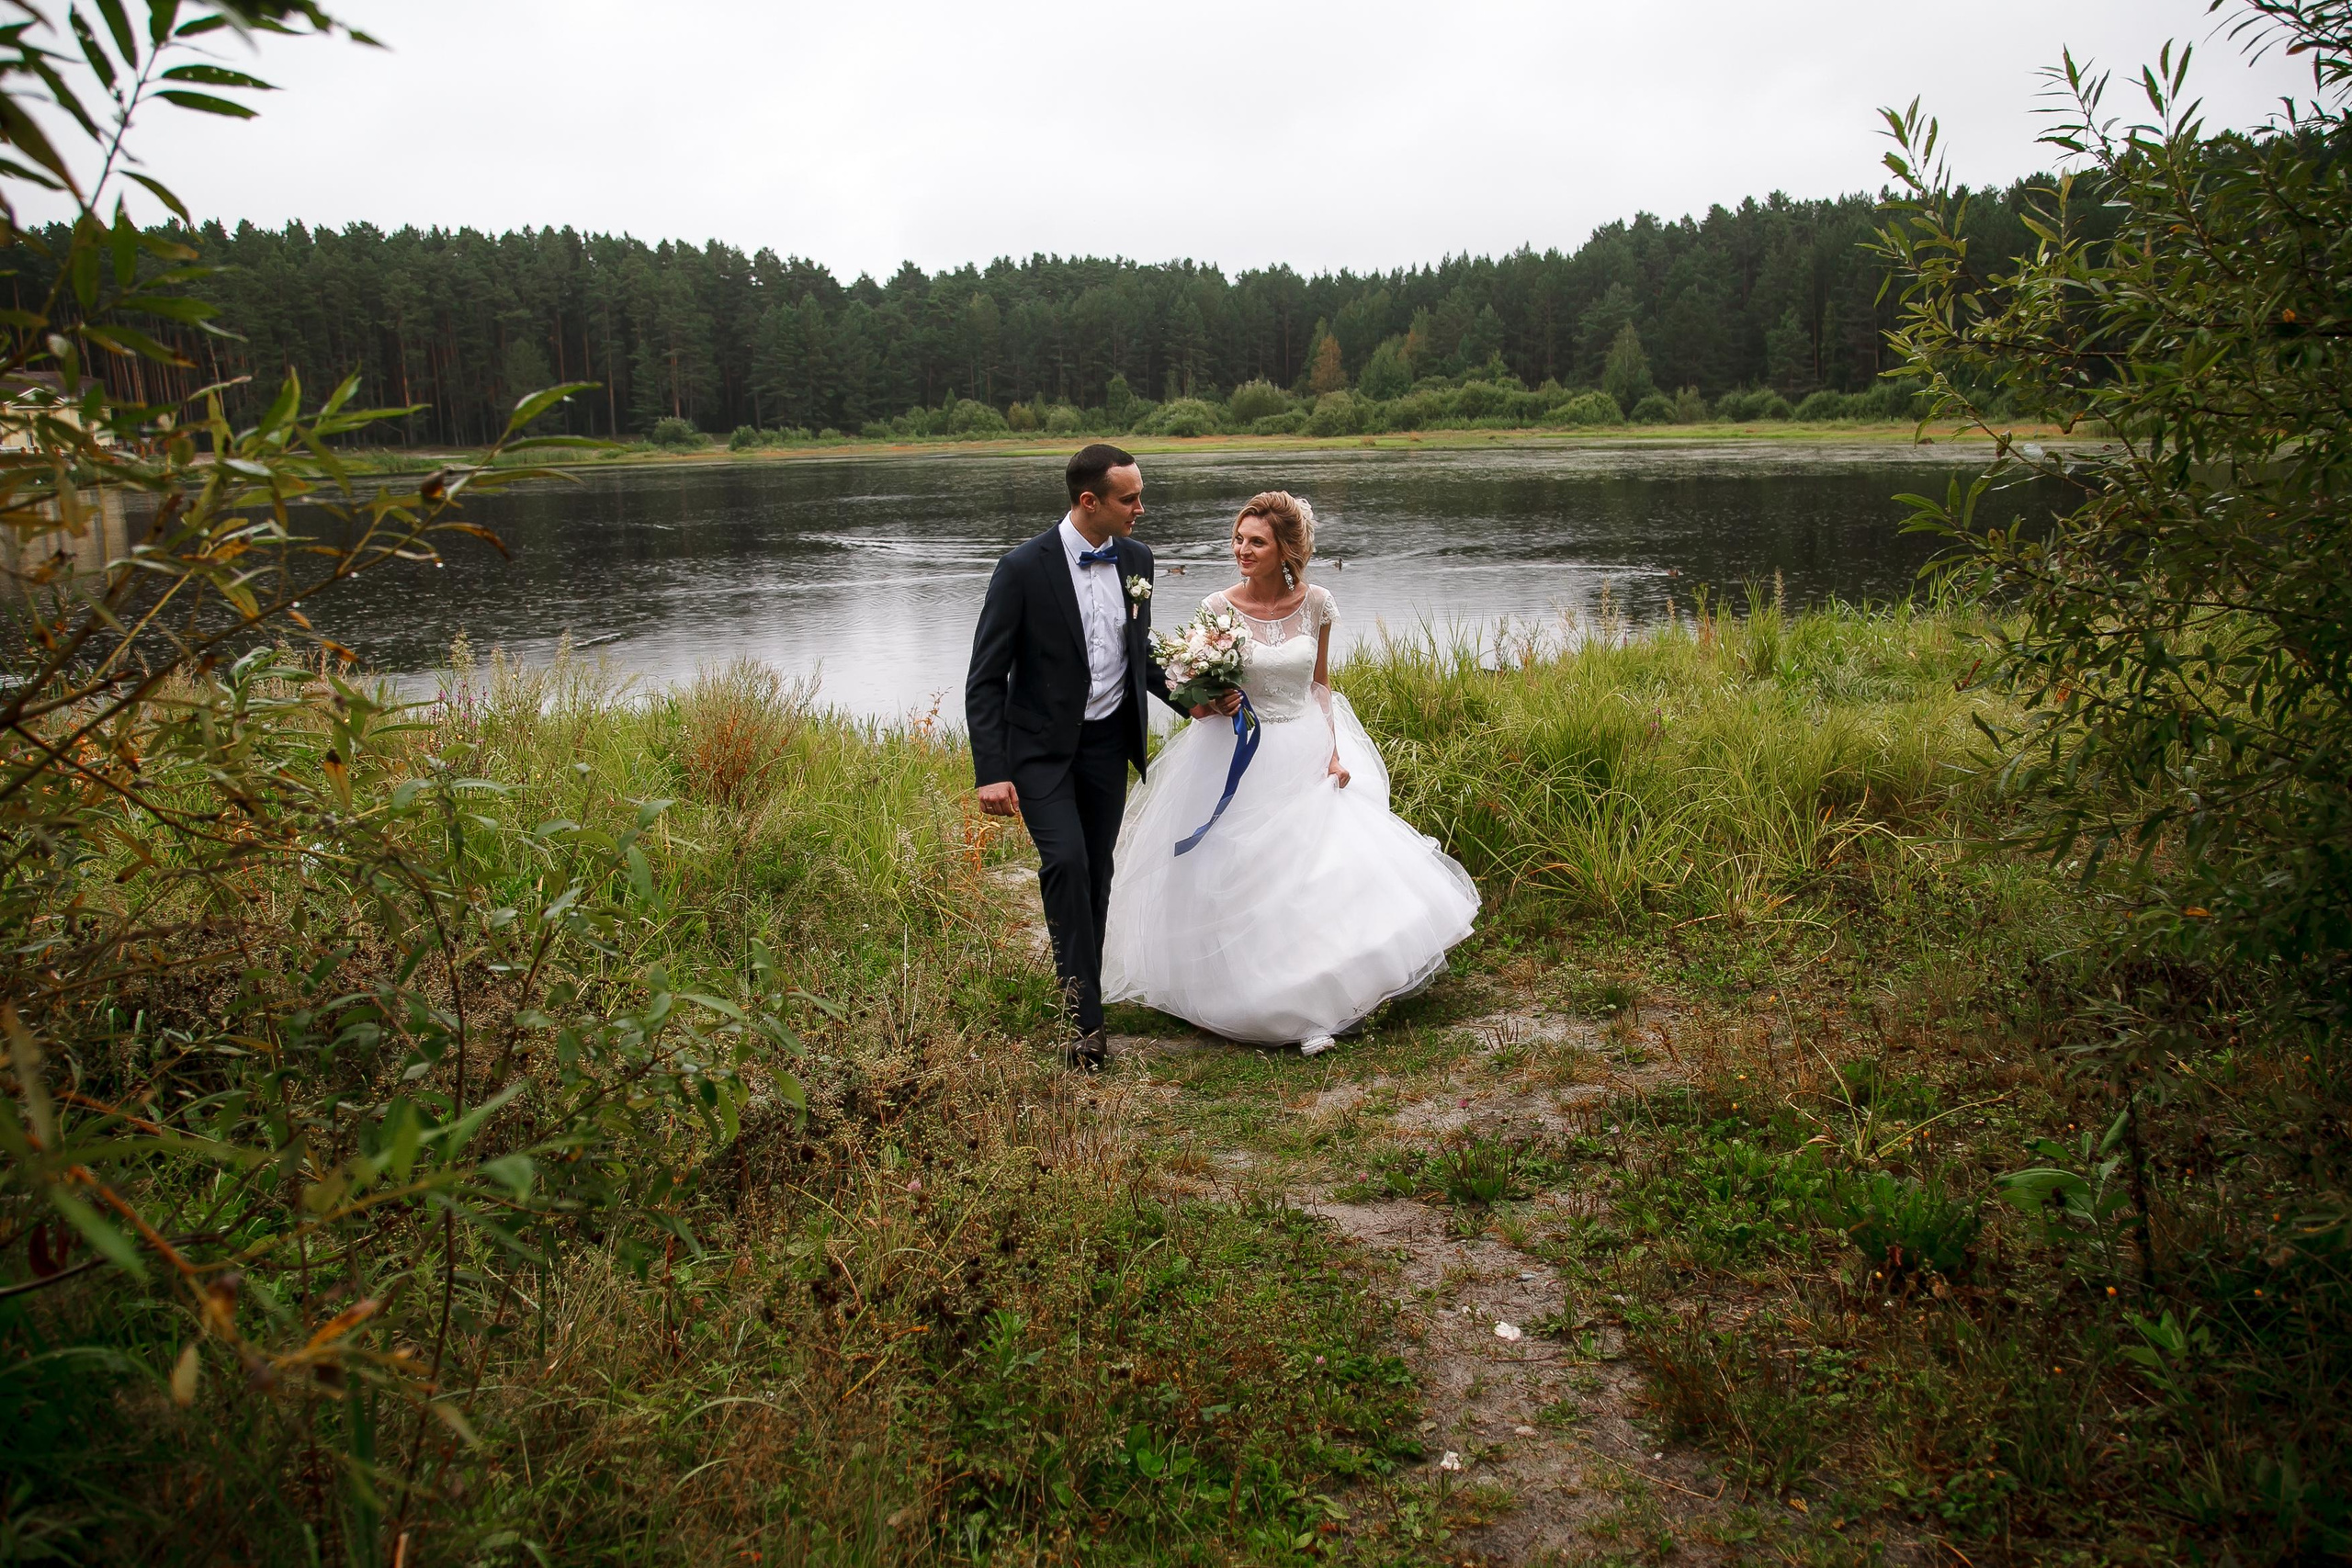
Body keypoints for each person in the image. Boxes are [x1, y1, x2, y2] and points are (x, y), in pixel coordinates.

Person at [1101, 491, 1478, 1054]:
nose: (1242, 550)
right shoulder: (1217, 606)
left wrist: (1331, 751)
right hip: (1236, 748)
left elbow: (1321, 684)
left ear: (1286, 550)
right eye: (1238, 539)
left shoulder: (1318, 603)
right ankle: (1242, 993)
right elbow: (1192, 688)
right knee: (1238, 869)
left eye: (1257, 541)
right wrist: (1210, 699)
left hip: (1304, 742)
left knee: (1313, 870)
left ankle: (1318, 998)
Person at [966, 445, 1212, 1069]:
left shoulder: (1137, 559)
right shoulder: (1021, 568)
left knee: (1097, 875)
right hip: (1041, 755)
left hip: (1107, 746)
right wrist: (991, 771)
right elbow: (985, 678)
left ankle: (1084, 993)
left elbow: (1139, 654)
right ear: (1089, 501)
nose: (1141, 508)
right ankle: (1085, 1025)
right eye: (1130, 498)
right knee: (1067, 863)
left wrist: (1196, 699)